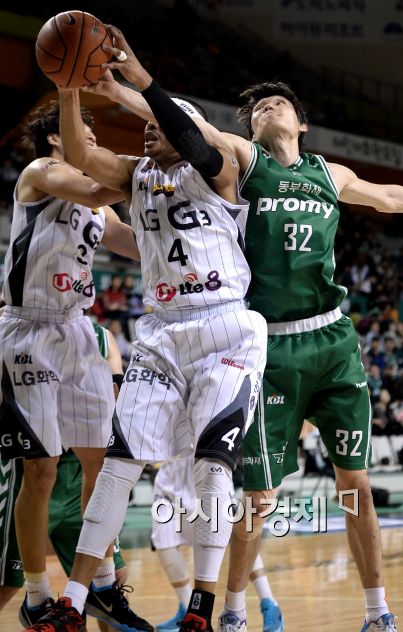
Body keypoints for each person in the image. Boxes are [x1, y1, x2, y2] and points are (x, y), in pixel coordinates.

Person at [89, 27, 403, 632]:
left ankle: (378, 612)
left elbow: (385, 197)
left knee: (353, 483)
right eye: (256, 108)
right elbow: (181, 123)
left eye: (276, 103)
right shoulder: (242, 162)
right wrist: (119, 88)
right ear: (248, 129)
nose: (264, 109)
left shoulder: (332, 175)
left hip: (332, 342)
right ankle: (232, 612)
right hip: (266, 345)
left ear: (300, 124)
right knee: (258, 496)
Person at [29, 55, 267, 632]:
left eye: (163, 122)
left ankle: (202, 609)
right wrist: (68, 91)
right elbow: (83, 158)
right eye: (147, 121)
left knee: (214, 467)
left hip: (225, 328)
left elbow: (191, 135)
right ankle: (74, 602)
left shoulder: (219, 170)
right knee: (118, 465)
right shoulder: (135, 174)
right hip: (161, 333)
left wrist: (138, 80)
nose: (150, 126)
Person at [0, 100, 146, 630]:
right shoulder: (41, 173)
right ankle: (37, 597)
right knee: (38, 471)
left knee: (102, 464)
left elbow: (132, 242)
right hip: (29, 330)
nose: (91, 141)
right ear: (57, 139)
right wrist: (156, 168)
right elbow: (95, 186)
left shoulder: (100, 207)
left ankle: (102, 584)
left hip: (79, 330)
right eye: (83, 133)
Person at [0, 321, 133, 632]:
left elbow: (116, 395)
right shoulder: (19, 335)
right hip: (30, 477)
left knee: (110, 585)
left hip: (81, 480)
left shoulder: (100, 338)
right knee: (7, 584)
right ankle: (37, 601)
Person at [152, 456, 284, 632]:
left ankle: (269, 603)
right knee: (163, 540)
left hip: (211, 463)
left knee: (238, 535)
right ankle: (187, 607)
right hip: (171, 469)